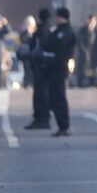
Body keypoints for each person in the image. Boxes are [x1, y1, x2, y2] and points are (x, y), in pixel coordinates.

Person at [38, 7, 76, 136]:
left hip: (59, 68)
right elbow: (48, 43)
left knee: (59, 98)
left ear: (61, 17)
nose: (56, 19)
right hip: (54, 68)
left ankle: (64, 126)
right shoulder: (59, 31)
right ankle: (62, 126)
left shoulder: (66, 32)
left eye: (57, 16)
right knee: (54, 98)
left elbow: (54, 44)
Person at [25, 8, 52, 128]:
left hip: (40, 64)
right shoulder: (50, 29)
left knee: (40, 93)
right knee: (44, 92)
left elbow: (36, 46)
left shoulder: (41, 30)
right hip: (46, 64)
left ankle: (40, 119)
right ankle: (44, 118)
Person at [75, 15, 96, 88]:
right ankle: (80, 82)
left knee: (92, 69)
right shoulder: (83, 30)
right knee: (82, 68)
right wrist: (84, 51)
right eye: (90, 20)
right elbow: (79, 41)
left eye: (94, 21)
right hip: (83, 53)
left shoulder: (96, 31)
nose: (92, 22)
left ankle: (91, 83)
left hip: (93, 53)